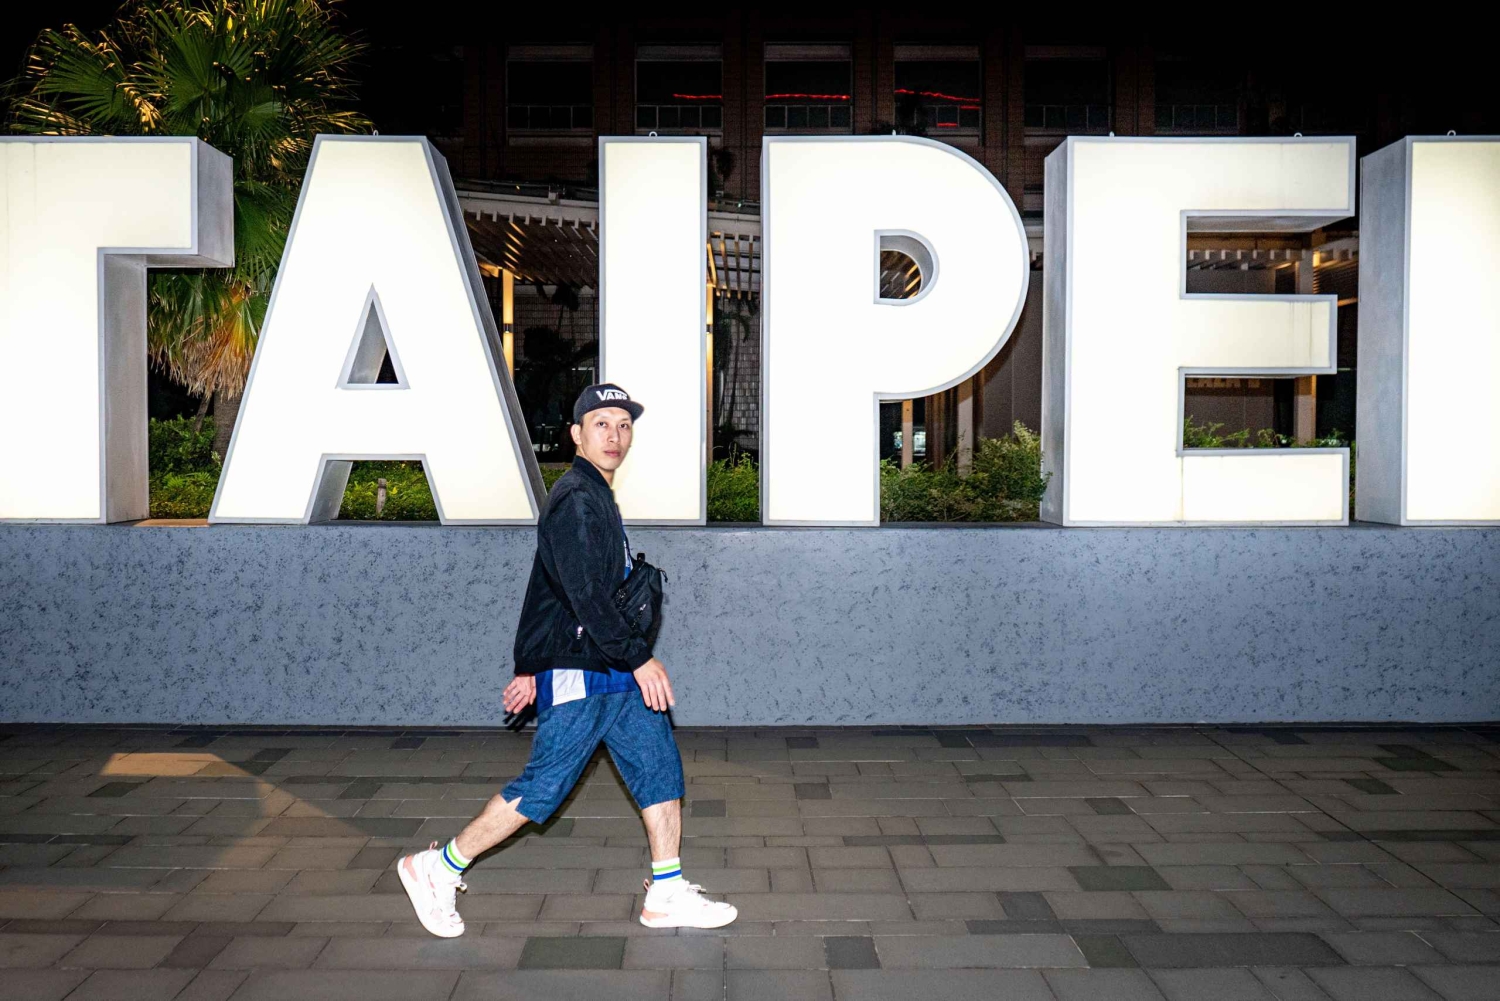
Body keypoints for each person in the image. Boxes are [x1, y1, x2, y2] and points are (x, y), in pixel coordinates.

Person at [398, 383, 737, 938]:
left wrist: (530, 664)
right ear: (577, 434)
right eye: (601, 424)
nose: (615, 435)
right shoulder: (575, 498)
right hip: (593, 666)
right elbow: (583, 594)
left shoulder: (596, 496)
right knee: (544, 787)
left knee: (658, 770)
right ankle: (436, 868)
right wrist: (638, 659)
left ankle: (668, 891)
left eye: (623, 425)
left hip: (611, 666)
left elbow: (545, 590)